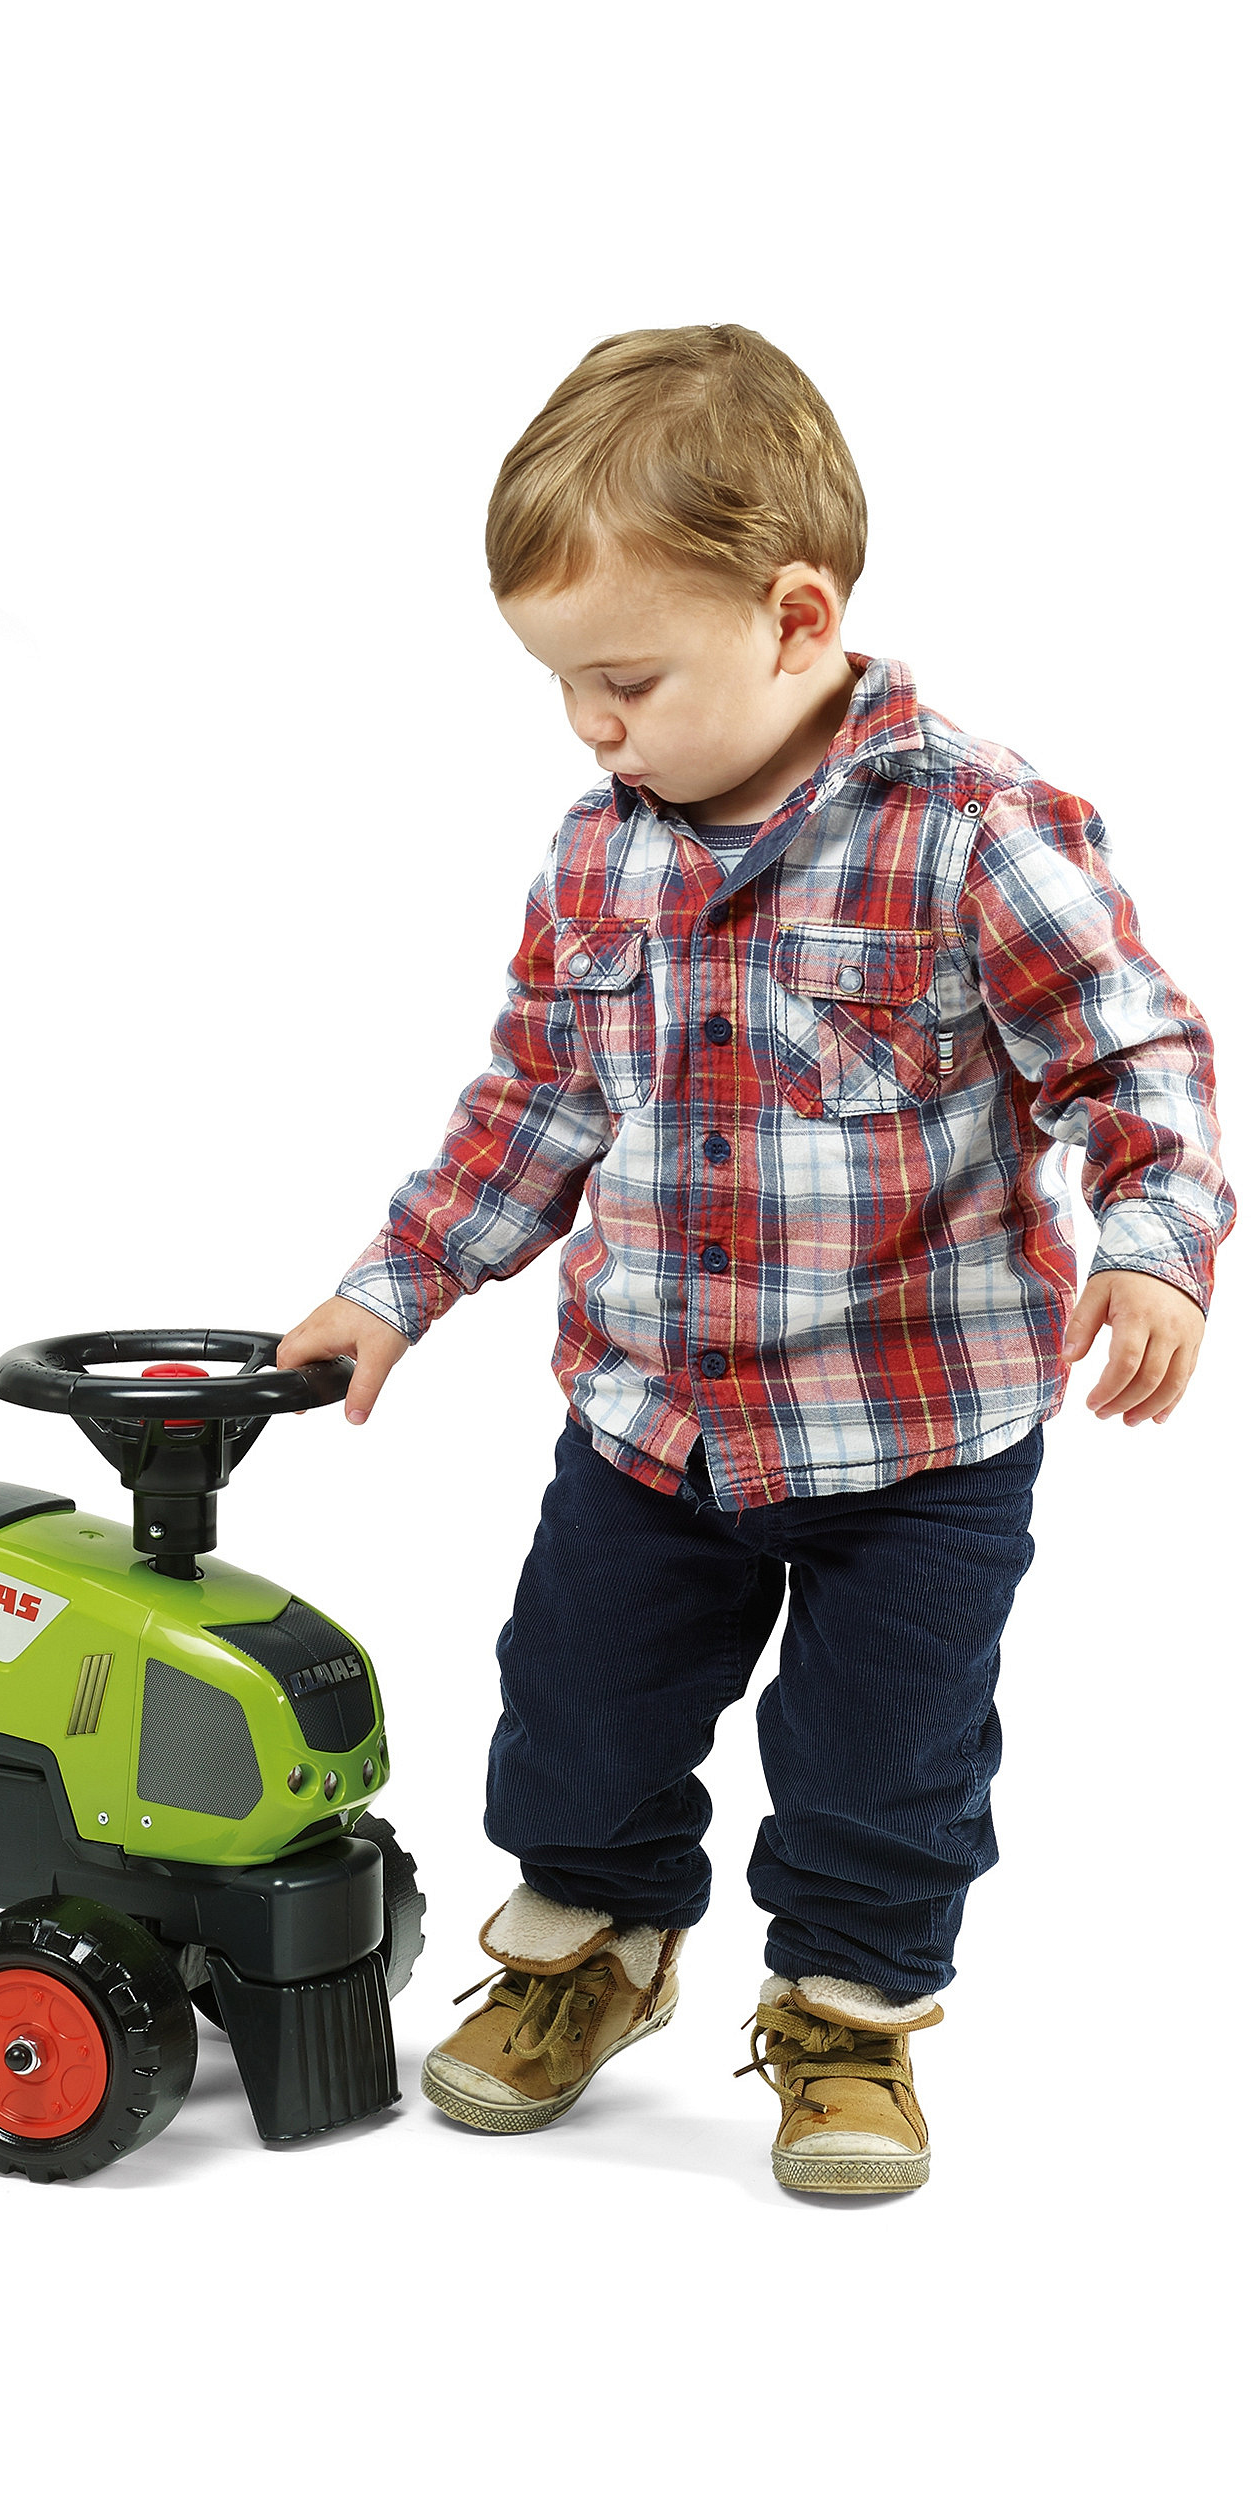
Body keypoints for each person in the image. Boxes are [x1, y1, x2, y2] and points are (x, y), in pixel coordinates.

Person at [277, 324, 1232, 2194]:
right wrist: (398, 1282)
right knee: (577, 1713)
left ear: (796, 619)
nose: (591, 726)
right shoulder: (599, 856)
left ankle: (848, 2018)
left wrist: (1156, 1245)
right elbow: (539, 1099)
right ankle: (593, 1951)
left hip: (917, 1436)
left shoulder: (970, 827)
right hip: (652, 1419)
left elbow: (1136, 1059)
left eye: (623, 679)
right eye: (564, 686)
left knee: (887, 1760)